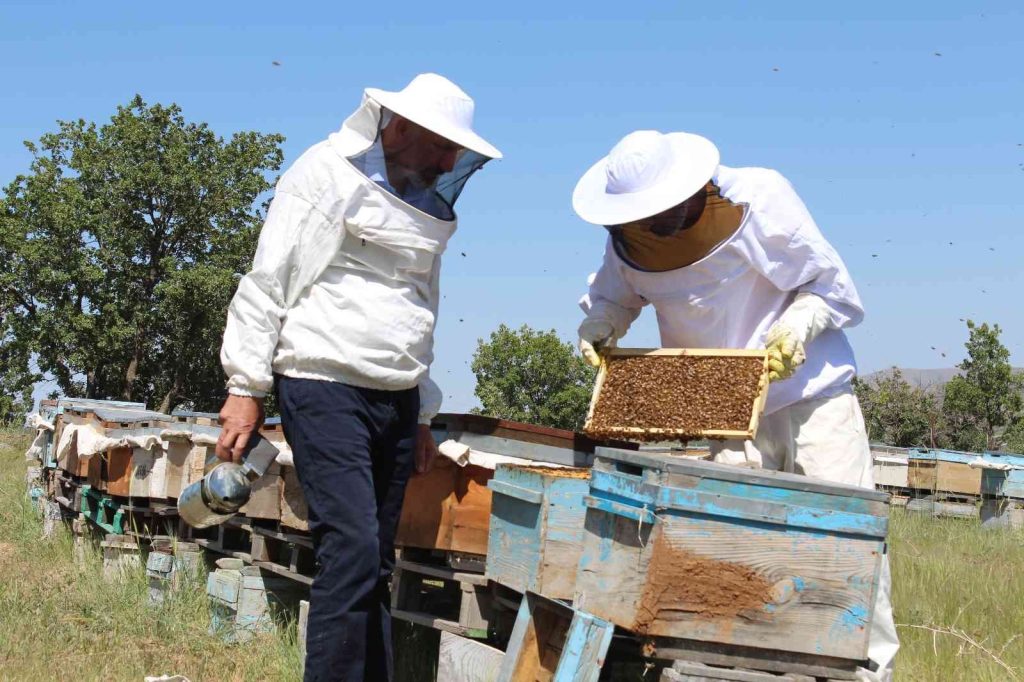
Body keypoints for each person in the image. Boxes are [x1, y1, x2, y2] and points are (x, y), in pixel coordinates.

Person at [572, 130, 898, 681]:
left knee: (850, 551)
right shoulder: (627, 239)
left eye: (664, 212)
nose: (656, 226)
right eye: (644, 217)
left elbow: (831, 286)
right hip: (721, 420)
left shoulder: (761, 196)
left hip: (810, 402)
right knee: (735, 561)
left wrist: (798, 325)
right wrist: (601, 322)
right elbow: (613, 295)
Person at [215, 73, 502, 682]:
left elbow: (418, 310)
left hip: (395, 400)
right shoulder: (323, 174)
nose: (451, 160)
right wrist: (244, 387)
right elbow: (268, 282)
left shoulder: (424, 211)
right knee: (350, 549)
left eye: (457, 150)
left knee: (376, 562)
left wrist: (422, 414)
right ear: (396, 128)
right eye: (440, 145)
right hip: (322, 384)